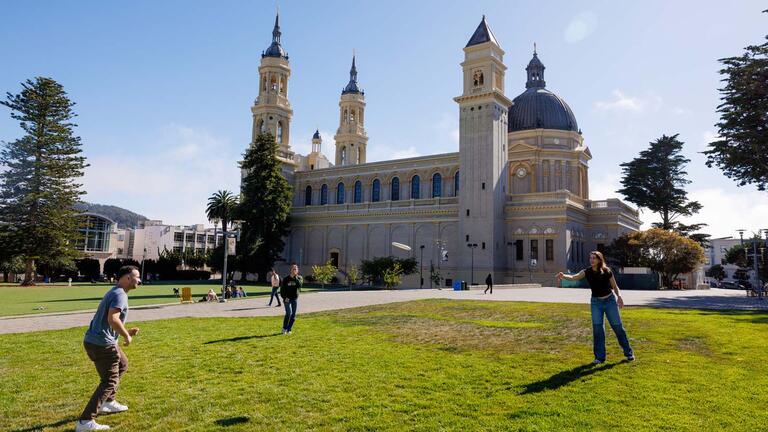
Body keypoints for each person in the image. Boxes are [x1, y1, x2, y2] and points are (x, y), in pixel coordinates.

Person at [75, 265, 141, 431]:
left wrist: (126, 331)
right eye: (137, 277)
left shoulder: (115, 291)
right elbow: (113, 318)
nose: (139, 280)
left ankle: (109, 402)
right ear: (127, 278)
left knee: (123, 364)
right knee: (109, 380)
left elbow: (109, 321)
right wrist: (126, 335)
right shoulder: (119, 294)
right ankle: (85, 421)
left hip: (97, 341)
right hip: (102, 344)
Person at [556, 251, 635, 365]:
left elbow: (615, 286)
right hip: (596, 303)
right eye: (590, 258)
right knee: (598, 330)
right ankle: (599, 358)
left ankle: (629, 353)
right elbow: (574, 277)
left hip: (610, 302)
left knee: (618, 328)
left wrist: (619, 297)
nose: (591, 260)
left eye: (594, 258)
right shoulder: (587, 272)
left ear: (599, 259)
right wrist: (563, 276)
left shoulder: (607, 271)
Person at [280, 264, 302, 334]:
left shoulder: (299, 278)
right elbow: (282, 290)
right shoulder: (286, 279)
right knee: (288, 313)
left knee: (293, 315)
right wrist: (284, 297)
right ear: (291, 270)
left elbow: (299, 286)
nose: (294, 270)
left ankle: (289, 329)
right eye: (293, 269)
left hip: (294, 299)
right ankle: (284, 328)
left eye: (296, 269)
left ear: (297, 270)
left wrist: (295, 277)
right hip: (287, 299)